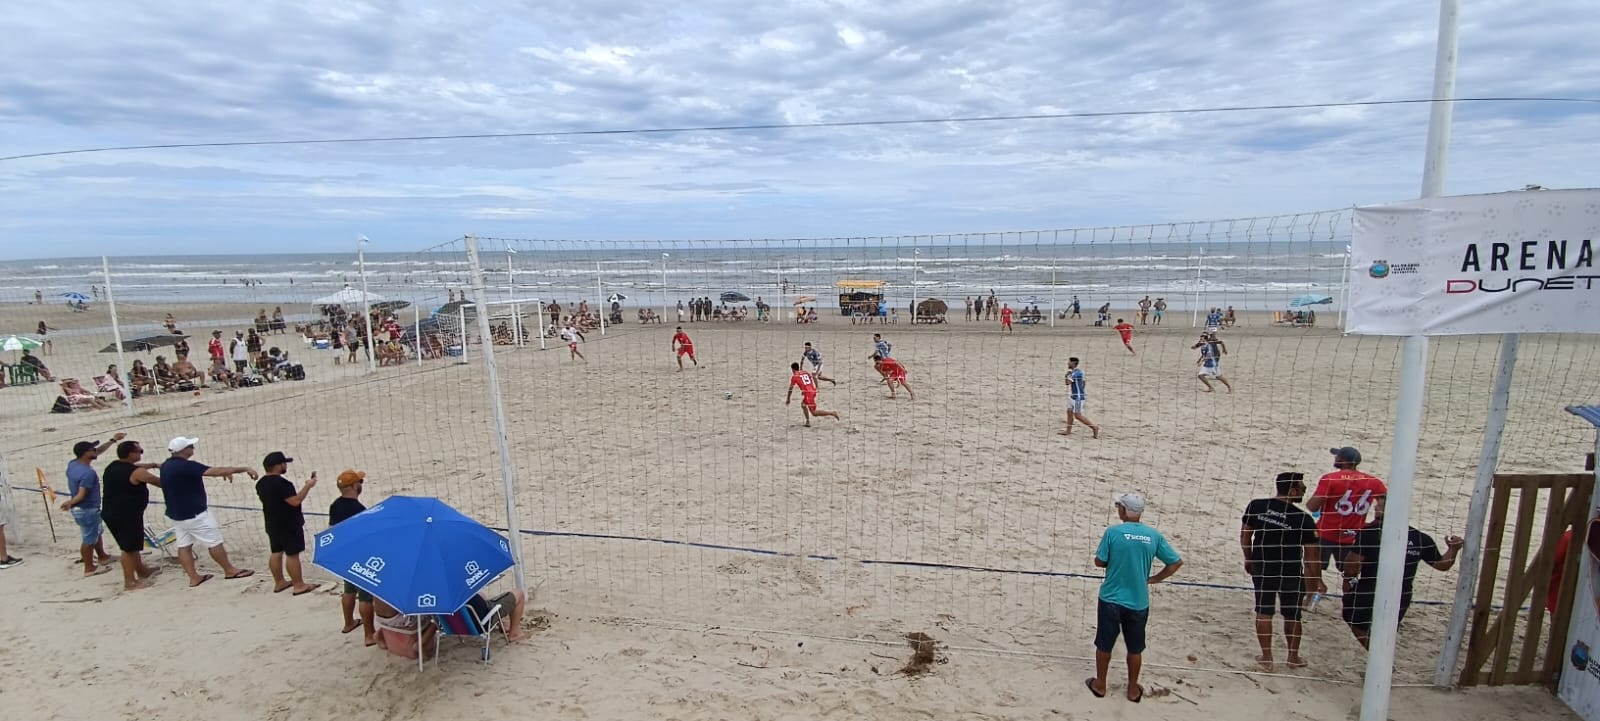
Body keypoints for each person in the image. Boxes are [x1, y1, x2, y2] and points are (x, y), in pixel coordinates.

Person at [1088, 492, 1182, 703]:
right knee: (1135, 646)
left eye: (1119, 506)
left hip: (1111, 598)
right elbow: (1175, 562)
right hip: (1138, 600)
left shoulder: (1113, 532)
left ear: (1123, 510)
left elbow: (1099, 562)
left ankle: (1100, 684)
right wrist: (1155, 579)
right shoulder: (1153, 535)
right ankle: (1132, 690)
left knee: (1104, 643)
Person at [1340, 513, 1463, 648]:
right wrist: (1453, 549)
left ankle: (1377, 653)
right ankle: (1381, 653)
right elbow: (1442, 565)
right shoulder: (1419, 537)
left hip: (1370, 590)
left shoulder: (1370, 533)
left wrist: (1348, 582)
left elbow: (1352, 567)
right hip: (1401, 594)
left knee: (1352, 617)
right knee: (1386, 629)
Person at [1240, 472, 1322, 670]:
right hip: (1290, 571)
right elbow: (1312, 557)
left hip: (1264, 566)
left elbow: (1245, 537)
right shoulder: (1303, 519)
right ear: (1292, 490)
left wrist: (1249, 558)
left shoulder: (1257, 506)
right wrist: (1316, 580)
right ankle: (1293, 658)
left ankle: (1267, 658)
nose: (1304, 491)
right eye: (1302, 489)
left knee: (1264, 611)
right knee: (1292, 615)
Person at [159, 436, 257, 587]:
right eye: (191, 446)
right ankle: (230, 570)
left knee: (184, 546)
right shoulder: (187, 466)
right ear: (183, 450)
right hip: (195, 514)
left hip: (176, 514)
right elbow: (213, 471)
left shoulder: (166, 465)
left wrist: (221, 472)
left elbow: (209, 472)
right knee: (214, 542)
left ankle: (193, 578)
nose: (193, 448)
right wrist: (243, 469)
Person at [1306, 446, 1387, 582]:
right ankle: (1349, 600)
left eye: (1337, 456)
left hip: (1325, 533)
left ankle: (1311, 596)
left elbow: (1312, 507)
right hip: (1353, 535)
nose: (1335, 458)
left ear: (1343, 460)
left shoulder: (1331, 478)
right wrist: (1374, 523)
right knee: (1350, 574)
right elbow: (1386, 504)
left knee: (1312, 568)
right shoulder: (1374, 482)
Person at [101, 440, 165, 590]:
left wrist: (153, 464)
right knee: (128, 548)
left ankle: (141, 570)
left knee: (133, 544)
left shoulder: (113, 466)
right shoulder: (137, 473)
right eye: (139, 451)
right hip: (125, 514)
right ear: (131, 454)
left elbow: (135, 467)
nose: (141, 452)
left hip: (116, 512)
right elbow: (159, 482)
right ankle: (130, 582)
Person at [256, 451, 320, 596]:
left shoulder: (261, 483)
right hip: (288, 523)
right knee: (292, 554)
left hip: (271, 522)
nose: (285, 466)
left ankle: (279, 582)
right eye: (284, 463)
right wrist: (308, 486)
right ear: (277, 466)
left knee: (276, 552)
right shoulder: (283, 483)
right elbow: (295, 501)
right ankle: (299, 585)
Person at [62, 435, 124, 576]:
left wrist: (112, 441)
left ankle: (102, 556)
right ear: (86, 453)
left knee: (96, 533)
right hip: (87, 509)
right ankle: (89, 568)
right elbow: (81, 494)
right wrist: (69, 502)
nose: (95, 451)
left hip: (84, 509)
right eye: (92, 450)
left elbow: (99, 452)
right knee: (89, 539)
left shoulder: (73, 464)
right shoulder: (88, 473)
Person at [330, 470, 376, 643]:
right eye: (360, 482)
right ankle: (369, 634)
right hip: (360, 554)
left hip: (344, 553)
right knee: (365, 597)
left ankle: (348, 623)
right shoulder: (358, 509)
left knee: (348, 590)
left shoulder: (335, 505)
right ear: (353, 486)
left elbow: (332, 529)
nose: (361, 485)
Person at [787, 362, 841, 427]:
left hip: (809, 394)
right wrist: (805, 390)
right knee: (803, 405)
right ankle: (808, 422)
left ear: (793, 369)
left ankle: (832, 413)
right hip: (812, 391)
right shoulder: (805, 372)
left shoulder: (794, 376)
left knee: (814, 413)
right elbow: (809, 381)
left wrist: (788, 398)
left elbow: (790, 389)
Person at [466, 588, 530, 642]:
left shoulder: (456, 598)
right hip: (483, 622)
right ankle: (515, 633)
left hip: (465, 625)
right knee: (519, 593)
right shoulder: (464, 587)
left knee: (482, 597)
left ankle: (501, 624)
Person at [1059, 357, 1100, 438]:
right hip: (1073, 396)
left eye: (1069, 362)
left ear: (1073, 363)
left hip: (1078, 398)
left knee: (1078, 416)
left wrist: (1067, 376)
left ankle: (1094, 428)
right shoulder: (1078, 372)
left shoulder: (1076, 373)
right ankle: (1068, 431)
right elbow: (1083, 382)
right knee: (1069, 413)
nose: (1068, 363)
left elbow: (1067, 382)